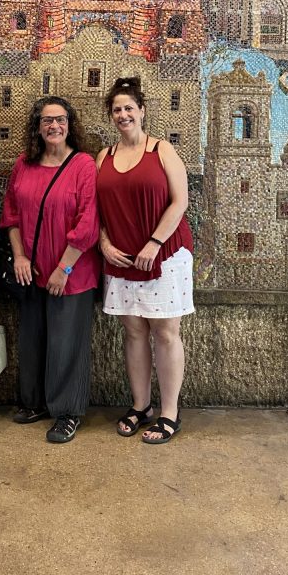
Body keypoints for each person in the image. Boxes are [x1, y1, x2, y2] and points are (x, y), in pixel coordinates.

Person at [96, 76, 194, 444]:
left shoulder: (162, 151)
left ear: (142, 111)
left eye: (129, 108)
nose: (123, 114)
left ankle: (170, 412)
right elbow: (97, 209)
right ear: (112, 116)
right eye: (117, 109)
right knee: (134, 332)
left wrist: (154, 242)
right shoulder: (103, 157)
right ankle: (141, 405)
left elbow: (179, 201)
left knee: (166, 333)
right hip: (121, 258)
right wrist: (104, 242)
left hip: (164, 256)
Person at [1, 97, 100, 444]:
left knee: (66, 342)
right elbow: (10, 215)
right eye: (46, 121)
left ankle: (67, 412)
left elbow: (88, 222)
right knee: (33, 340)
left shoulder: (84, 164)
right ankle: (35, 403)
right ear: (37, 127)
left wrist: (64, 268)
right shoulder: (23, 165)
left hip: (70, 273)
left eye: (60, 120)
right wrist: (20, 257)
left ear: (70, 124)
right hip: (32, 271)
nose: (53, 126)